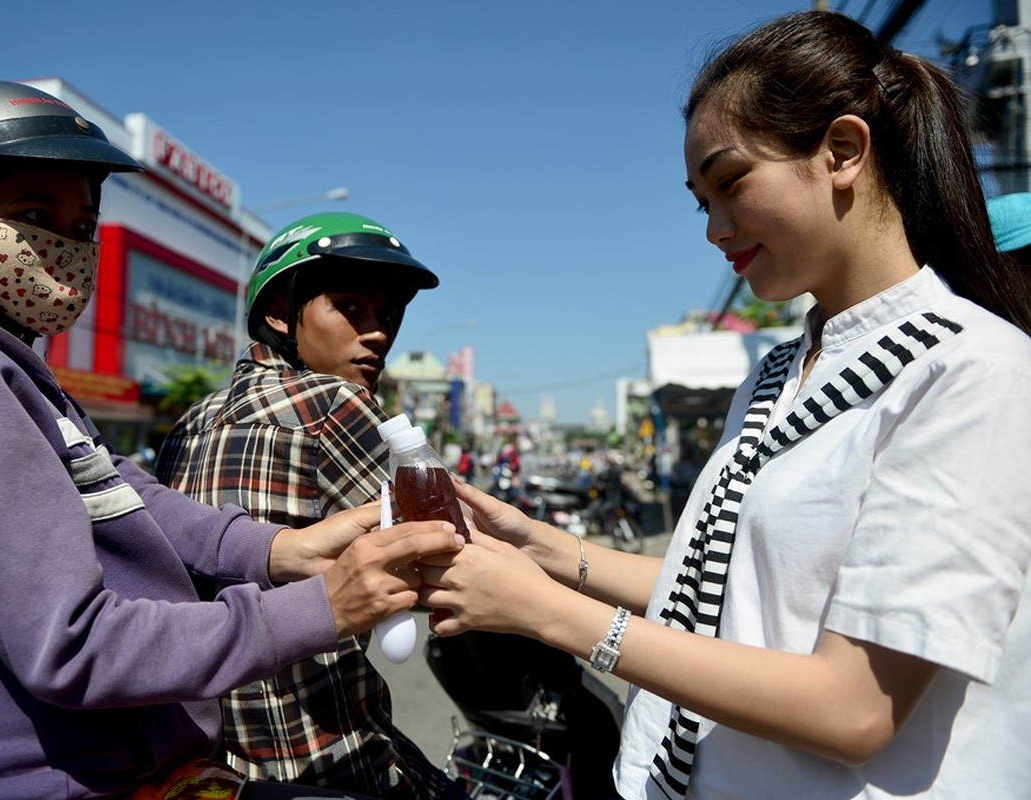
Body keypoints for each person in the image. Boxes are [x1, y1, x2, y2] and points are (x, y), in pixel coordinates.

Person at [416, 10, 1031, 800]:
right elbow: (726, 582)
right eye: (699, 200)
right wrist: (541, 548)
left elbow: (857, 709)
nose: (713, 228)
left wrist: (553, 615)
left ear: (843, 151)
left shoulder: (971, 370)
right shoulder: (780, 369)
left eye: (730, 182)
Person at [0, 79, 464, 799]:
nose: (66, 248)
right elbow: (71, 646)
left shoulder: (3, 366)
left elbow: (114, 487)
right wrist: (322, 607)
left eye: (82, 225)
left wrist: (277, 550)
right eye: (37, 216)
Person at [156, 213, 464, 799]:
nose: (376, 333)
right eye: (350, 307)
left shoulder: (187, 423)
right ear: (280, 315)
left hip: (206, 764)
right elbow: (450, 545)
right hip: (327, 755)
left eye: (388, 315)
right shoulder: (334, 403)